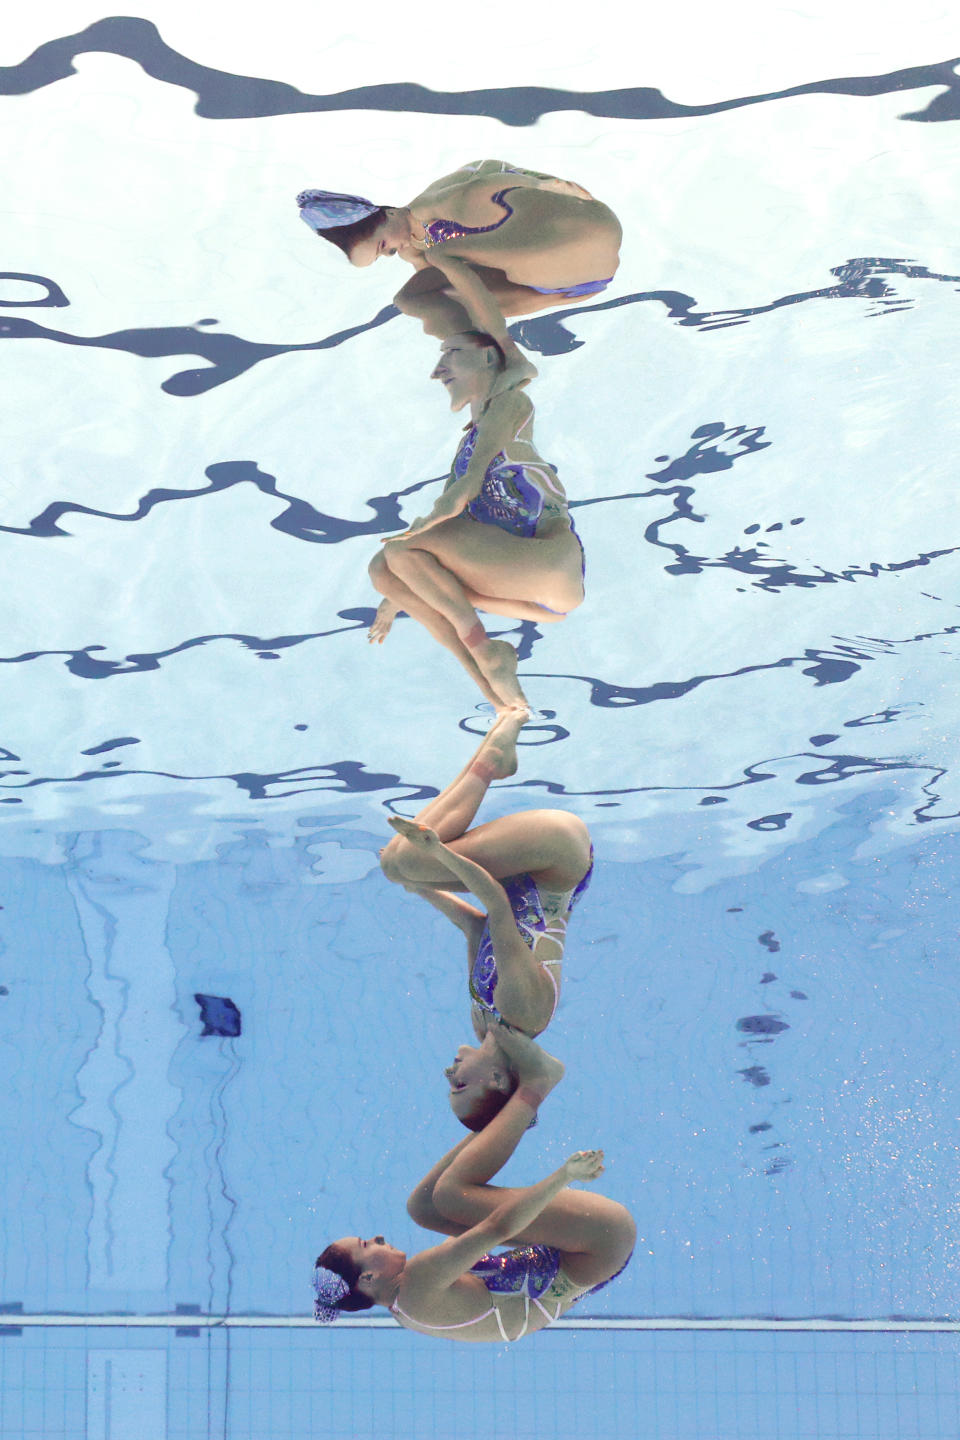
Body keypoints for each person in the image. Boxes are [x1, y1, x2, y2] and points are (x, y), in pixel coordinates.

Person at [313, 1028, 635, 1341]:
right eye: (367, 1245)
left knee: (423, 1208)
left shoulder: (404, 1308)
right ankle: (538, 1081)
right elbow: (499, 1227)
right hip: (601, 1241)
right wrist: (565, 1175)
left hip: (582, 1260)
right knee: (451, 1196)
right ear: (368, 1278)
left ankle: (508, 1110)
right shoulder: (416, 1283)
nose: (378, 1236)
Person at [378, 712, 593, 1130]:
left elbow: (477, 927)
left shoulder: (485, 1025)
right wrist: (438, 854)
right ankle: (494, 757)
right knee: (410, 859)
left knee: (397, 867)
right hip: (557, 854)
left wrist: (421, 889)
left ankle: (495, 751)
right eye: (459, 1087)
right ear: (496, 1079)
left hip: (524, 871)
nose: (448, 1075)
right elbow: (495, 904)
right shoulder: (523, 1014)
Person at [367, 331, 585, 711]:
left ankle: (488, 653)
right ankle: (491, 687)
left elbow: (467, 485)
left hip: (550, 565)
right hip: (529, 596)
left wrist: (443, 506)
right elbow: (456, 501)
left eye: (450, 353)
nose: (438, 371)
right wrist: (395, 595)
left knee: (399, 551)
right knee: (384, 570)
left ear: (487, 357)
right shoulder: (465, 452)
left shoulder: (512, 405)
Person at [296, 158, 621, 369]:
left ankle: (506, 356)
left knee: (444, 260)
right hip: (565, 280)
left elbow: (503, 184)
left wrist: (554, 188)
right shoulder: (415, 252)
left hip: (573, 240)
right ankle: (498, 368)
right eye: (384, 253)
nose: (392, 250)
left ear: (387, 212)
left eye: (383, 243)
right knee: (414, 299)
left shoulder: (443, 203)